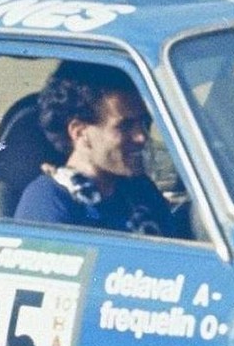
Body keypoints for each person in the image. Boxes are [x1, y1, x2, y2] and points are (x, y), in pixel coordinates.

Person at [14, 63, 182, 237]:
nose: (141, 136)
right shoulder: (48, 202)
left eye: (145, 123)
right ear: (79, 132)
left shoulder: (140, 189)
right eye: (125, 126)